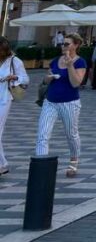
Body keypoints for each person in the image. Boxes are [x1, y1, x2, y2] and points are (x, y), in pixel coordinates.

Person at [37, 32, 86, 177]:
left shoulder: (79, 62)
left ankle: (74, 162)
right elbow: (45, 80)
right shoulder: (55, 61)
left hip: (70, 103)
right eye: (62, 44)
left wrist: (70, 65)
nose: (63, 46)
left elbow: (76, 83)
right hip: (50, 101)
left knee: (71, 134)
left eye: (66, 44)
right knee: (42, 134)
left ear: (75, 45)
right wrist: (48, 78)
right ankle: (41, 166)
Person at [0, 37, 29, 175]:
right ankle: (2, 164)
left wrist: (14, 77)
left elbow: (25, 79)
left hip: (4, 99)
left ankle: (2, 164)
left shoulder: (15, 61)